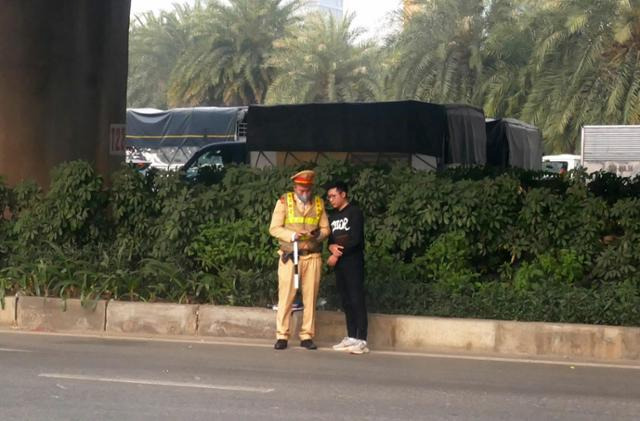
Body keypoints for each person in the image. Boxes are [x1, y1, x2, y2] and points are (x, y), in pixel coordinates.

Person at [269, 170, 330, 350]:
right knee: (286, 296)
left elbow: (326, 228)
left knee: (310, 297)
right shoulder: (284, 202)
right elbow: (274, 228)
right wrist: (293, 235)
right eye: (301, 189)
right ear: (295, 188)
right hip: (290, 256)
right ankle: (282, 335)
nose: (305, 193)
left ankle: (307, 336)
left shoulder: (319, 204)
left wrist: (318, 235)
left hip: (312, 256)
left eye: (308, 189)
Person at [325, 181, 369, 355]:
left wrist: (336, 254)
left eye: (333, 196)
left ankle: (362, 339)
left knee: (357, 299)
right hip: (340, 265)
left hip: (353, 262)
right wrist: (331, 248)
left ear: (343, 194)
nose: (331, 200)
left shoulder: (355, 212)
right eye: (329, 197)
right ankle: (351, 336)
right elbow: (331, 240)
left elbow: (355, 239)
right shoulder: (333, 216)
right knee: (346, 300)